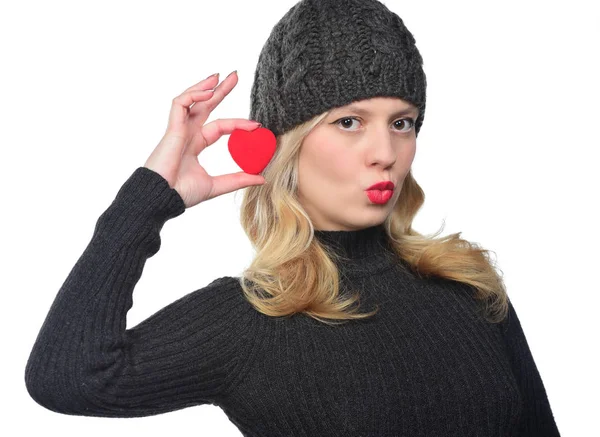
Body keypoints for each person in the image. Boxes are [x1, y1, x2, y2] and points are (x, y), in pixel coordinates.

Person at [24, 0, 561, 435]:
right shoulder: (249, 320)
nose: (386, 152)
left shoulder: (465, 284)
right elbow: (67, 378)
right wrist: (148, 198)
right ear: (285, 145)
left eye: (403, 123)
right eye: (350, 121)